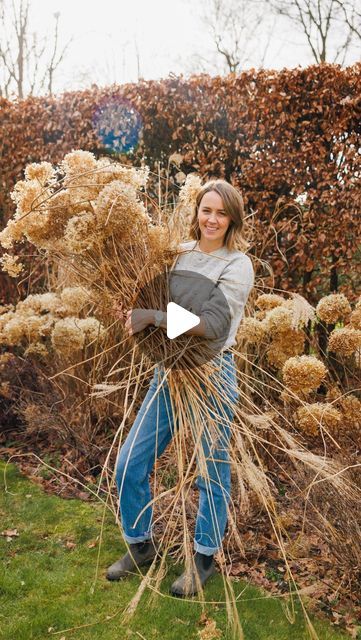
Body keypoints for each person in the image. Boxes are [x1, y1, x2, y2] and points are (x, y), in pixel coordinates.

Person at [106, 179, 254, 596]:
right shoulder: (178, 255)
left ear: (232, 219)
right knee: (129, 462)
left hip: (212, 375)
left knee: (211, 472)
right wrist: (132, 311)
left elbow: (212, 325)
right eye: (206, 210)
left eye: (221, 213)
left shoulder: (237, 265)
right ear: (197, 213)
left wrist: (152, 316)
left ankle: (204, 558)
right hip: (169, 373)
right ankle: (140, 546)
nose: (212, 219)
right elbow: (154, 303)